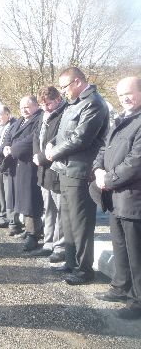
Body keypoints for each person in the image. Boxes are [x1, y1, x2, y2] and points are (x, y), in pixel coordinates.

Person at [45, 67, 109, 285]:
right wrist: (51, 144)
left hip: (80, 170)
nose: (63, 91)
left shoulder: (94, 103)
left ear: (78, 82)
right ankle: (71, 262)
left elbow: (81, 138)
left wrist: (53, 153)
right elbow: (62, 133)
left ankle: (84, 269)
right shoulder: (73, 104)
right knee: (68, 219)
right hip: (65, 169)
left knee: (81, 222)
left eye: (65, 86)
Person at [92, 76, 141, 320]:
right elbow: (104, 148)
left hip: (133, 199)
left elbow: (135, 162)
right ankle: (121, 286)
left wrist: (108, 179)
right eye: (121, 95)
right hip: (115, 197)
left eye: (129, 93)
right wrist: (97, 170)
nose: (125, 99)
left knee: (136, 253)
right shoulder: (121, 119)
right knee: (120, 246)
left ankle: (138, 301)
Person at [3, 96, 44, 250]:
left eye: (27, 107)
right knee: (21, 199)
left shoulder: (39, 119)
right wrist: (6, 146)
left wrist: (13, 150)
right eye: (21, 108)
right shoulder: (20, 120)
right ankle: (28, 230)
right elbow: (9, 134)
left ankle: (34, 235)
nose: (24, 110)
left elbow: (31, 140)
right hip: (16, 165)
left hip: (29, 165)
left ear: (36, 106)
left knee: (30, 200)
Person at [31, 86, 67, 261]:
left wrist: (43, 157)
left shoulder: (64, 114)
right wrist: (36, 155)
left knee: (60, 210)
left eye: (49, 104)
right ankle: (48, 243)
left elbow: (60, 140)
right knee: (48, 208)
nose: (46, 107)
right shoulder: (43, 116)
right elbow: (36, 137)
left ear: (58, 99)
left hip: (56, 168)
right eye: (42, 104)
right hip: (43, 169)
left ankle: (60, 247)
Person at [0, 105, 16, 226]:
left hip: (7, 163)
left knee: (8, 192)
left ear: (7, 114)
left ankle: (11, 220)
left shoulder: (12, 125)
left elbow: (5, 145)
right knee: (0, 191)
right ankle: (3, 216)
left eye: (0, 115)